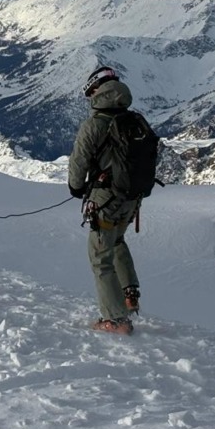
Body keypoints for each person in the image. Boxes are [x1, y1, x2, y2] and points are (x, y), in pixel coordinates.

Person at [68, 65, 143, 335]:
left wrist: (76, 188)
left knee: (100, 257)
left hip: (105, 201)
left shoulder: (94, 125)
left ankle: (116, 319)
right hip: (132, 200)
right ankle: (129, 293)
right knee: (118, 241)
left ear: (97, 92)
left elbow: (78, 163)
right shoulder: (135, 120)